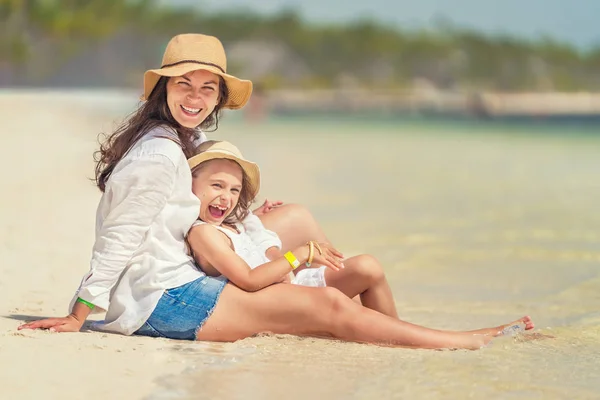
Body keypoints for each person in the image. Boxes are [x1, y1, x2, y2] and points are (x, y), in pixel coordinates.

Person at [18, 33, 535, 349]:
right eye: (184, 85)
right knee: (328, 310)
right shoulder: (157, 155)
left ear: (218, 95)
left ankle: (377, 327)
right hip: (164, 298)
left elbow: (206, 190)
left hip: (183, 261)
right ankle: (458, 342)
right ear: (162, 88)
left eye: (207, 87)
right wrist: (79, 313)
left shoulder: (179, 138)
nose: (196, 97)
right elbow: (119, 237)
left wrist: (243, 213)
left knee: (295, 217)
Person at [187, 140, 399, 318]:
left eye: (235, 190)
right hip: (281, 301)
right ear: (189, 183)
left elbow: (266, 248)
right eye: (217, 185)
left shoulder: (235, 222)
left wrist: (281, 259)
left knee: (367, 266)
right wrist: (299, 255)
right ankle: (390, 331)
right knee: (364, 277)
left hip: (293, 285)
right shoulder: (203, 232)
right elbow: (250, 279)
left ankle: (391, 329)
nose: (226, 197)